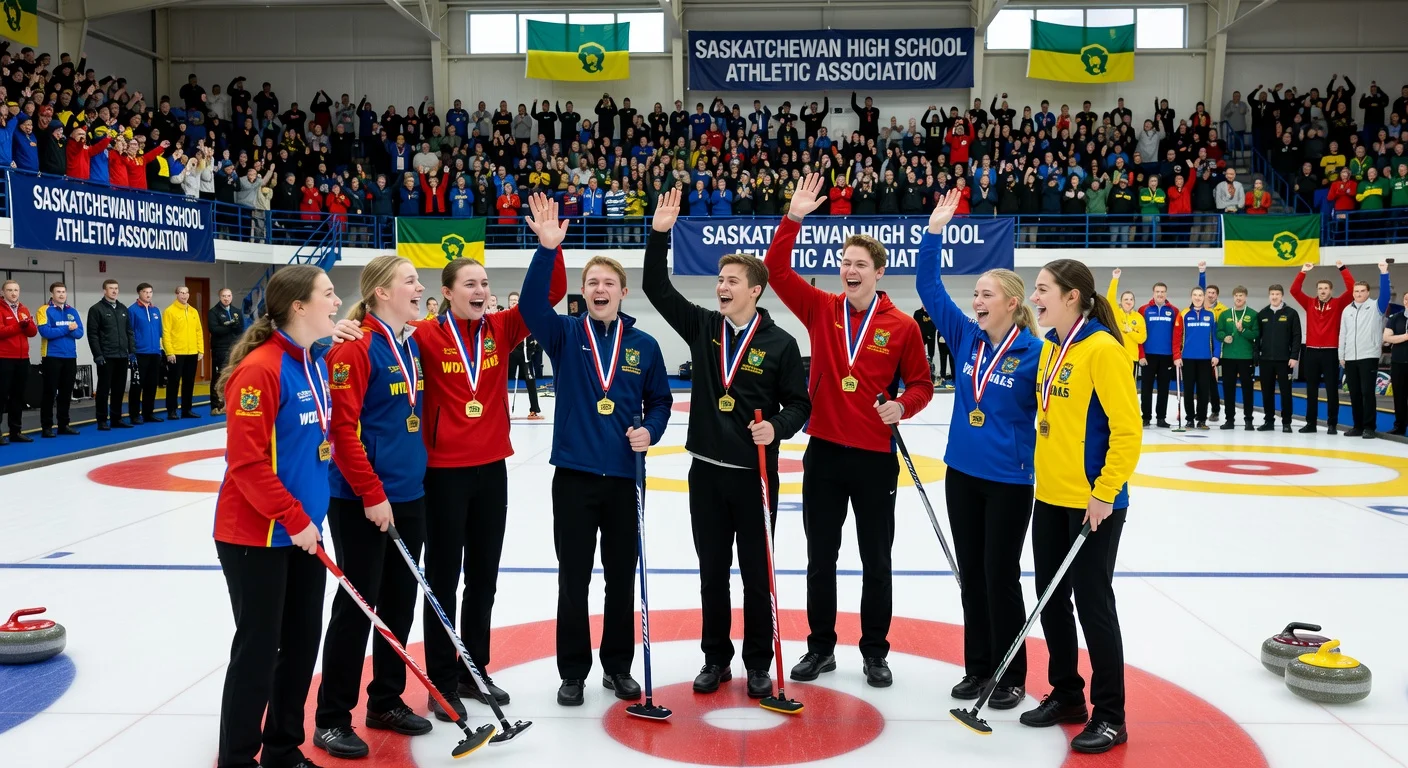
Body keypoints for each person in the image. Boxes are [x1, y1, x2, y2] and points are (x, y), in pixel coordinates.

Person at [328, 229, 567, 720]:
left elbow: (551, 296)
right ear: (449, 292)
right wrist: (337, 331)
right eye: (471, 284)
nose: (481, 291)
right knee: (441, 578)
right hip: (439, 477)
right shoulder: (421, 335)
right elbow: (347, 363)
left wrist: (549, 248)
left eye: (485, 283)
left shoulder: (501, 329)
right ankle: (441, 680)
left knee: (484, 578)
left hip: (490, 470)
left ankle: (472, 669)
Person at [764, 174, 934, 687]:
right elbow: (774, 270)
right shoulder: (820, 307)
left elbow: (923, 385)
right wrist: (792, 218)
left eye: (860, 264)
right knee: (821, 557)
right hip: (824, 455)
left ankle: (875, 651)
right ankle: (820, 648)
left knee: (875, 559)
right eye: (845, 263)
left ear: (878, 272)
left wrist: (902, 407)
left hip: (874, 458)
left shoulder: (902, 326)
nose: (850, 270)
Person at [642, 188, 811, 698]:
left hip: (756, 476)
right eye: (719, 280)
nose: (721, 286)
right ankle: (716, 659)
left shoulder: (782, 344)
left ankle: (759, 661)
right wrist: (659, 235)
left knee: (758, 577)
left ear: (755, 290)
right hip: (707, 473)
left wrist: (777, 428)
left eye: (731, 281)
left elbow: (800, 405)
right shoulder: (704, 326)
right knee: (712, 572)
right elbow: (655, 287)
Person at [518, 192, 673, 707]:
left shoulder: (645, 346)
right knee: (574, 579)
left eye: (609, 283)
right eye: (592, 283)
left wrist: (651, 431)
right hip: (576, 479)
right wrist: (546, 251)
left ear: (624, 292)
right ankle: (573, 671)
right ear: (582, 292)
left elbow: (660, 402)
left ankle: (618, 667)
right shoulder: (564, 334)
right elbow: (529, 306)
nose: (600, 289)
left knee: (621, 581)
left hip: (627, 478)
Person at [916, 189, 1044, 711]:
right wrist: (933, 233)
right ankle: (977, 668)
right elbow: (929, 286)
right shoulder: (966, 338)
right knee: (971, 572)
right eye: (976, 293)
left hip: (1010, 480)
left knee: (1001, 575)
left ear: (1012, 303)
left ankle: (1011, 674)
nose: (977, 300)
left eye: (987, 294)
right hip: (962, 473)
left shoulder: (1037, 352)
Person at [212, 265, 339, 768]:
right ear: (298, 307)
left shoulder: (313, 360)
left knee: (301, 647)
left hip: (304, 533)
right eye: (328, 294)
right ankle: (239, 758)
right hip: (258, 535)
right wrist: (292, 517)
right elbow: (246, 464)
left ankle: (284, 749)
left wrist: (309, 521)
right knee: (259, 653)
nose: (337, 301)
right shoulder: (260, 370)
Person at [314, 256, 433, 759]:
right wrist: (371, 493)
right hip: (363, 500)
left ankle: (384, 700)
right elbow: (341, 432)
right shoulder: (354, 347)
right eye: (410, 281)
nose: (419, 287)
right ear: (381, 292)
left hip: (409, 493)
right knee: (357, 608)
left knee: (399, 603)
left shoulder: (410, 340)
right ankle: (331, 717)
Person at [1022, 259, 1140, 755]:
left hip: (1094, 504)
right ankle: (1068, 694)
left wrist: (1105, 491)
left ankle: (1111, 715)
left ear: (1072, 296)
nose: (1034, 297)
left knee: (1094, 606)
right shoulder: (1050, 347)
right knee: (1052, 600)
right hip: (1049, 495)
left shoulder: (1104, 350)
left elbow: (1127, 431)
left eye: (1043, 289)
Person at [1290, 261, 1354, 433]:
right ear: (1317, 290)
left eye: (1325, 288)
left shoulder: (1339, 304)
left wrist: (1342, 269)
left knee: (1332, 389)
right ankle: (1311, 423)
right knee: (1311, 389)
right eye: (1320, 288)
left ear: (1331, 290)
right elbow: (1294, 291)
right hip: (1310, 351)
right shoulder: (1310, 303)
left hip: (1331, 351)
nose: (1322, 291)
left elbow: (1352, 288)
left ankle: (1332, 423)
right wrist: (1303, 272)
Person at [1339, 263, 1393, 438]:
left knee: (1367, 393)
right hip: (1350, 358)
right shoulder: (1347, 310)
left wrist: (1384, 273)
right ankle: (1357, 426)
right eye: (1356, 291)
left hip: (1368, 356)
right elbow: (1343, 333)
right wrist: (1342, 355)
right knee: (1354, 393)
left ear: (1368, 292)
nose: (1359, 294)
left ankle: (1369, 427)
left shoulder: (1376, 307)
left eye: (1362, 291)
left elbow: (1385, 294)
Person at [36, 282, 84, 438]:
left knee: (66, 393)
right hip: (52, 356)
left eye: (63, 292)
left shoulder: (73, 311)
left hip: (70, 356)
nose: (62, 294)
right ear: (52, 294)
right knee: (49, 392)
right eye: (58, 292)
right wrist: (67, 328)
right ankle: (47, 427)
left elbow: (79, 333)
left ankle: (64, 425)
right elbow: (45, 332)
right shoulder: (44, 310)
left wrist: (63, 330)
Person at [88, 279, 135, 431]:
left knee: (119, 389)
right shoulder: (96, 309)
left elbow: (129, 332)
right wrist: (98, 355)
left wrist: (131, 351)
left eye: (116, 288)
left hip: (122, 355)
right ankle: (101, 420)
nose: (114, 291)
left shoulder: (123, 309)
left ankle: (116, 418)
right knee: (103, 390)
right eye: (111, 288)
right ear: (104, 291)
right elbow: (92, 334)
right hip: (106, 356)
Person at [1256, 285, 1301, 432]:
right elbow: (1257, 337)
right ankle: (1269, 421)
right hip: (1266, 360)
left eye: (1277, 294)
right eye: (1272, 294)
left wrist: (1294, 356)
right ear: (1269, 296)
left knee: (1285, 392)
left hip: (1285, 360)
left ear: (1282, 296)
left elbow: (1296, 336)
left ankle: (1286, 422)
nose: (1274, 297)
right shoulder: (1262, 313)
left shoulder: (1291, 313)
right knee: (1266, 392)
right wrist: (1256, 355)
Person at [1217, 287, 1260, 431]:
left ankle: (1249, 420)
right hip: (1228, 357)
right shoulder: (1225, 314)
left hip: (1246, 357)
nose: (1238, 298)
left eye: (1241, 295)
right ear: (1233, 297)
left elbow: (1256, 334)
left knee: (1247, 389)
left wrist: (1243, 330)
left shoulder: (1253, 314)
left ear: (1245, 297)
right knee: (1228, 389)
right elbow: (1218, 332)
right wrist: (1224, 337)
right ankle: (1229, 419)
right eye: (1236, 295)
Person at [0, 280, 38, 445]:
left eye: (16, 290)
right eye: (10, 290)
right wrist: (19, 325)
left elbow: (33, 332)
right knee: (1, 397)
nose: (13, 293)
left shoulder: (23, 309)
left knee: (18, 397)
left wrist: (27, 325)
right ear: (4, 291)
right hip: (4, 358)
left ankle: (16, 431)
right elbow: (1, 332)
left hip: (23, 358)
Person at [1138, 284, 1181, 427]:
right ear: (1153, 293)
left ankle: (1161, 418)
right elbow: (1140, 335)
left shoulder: (1174, 311)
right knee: (1146, 388)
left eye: (1162, 292)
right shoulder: (1143, 310)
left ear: (1166, 293)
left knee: (1164, 388)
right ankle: (1146, 417)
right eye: (1157, 291)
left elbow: (1176, 336)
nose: (1160, 294)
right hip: (1148, 356)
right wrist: (1141, 354)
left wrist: (1175, 355)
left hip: (1166, 356)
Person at [1179, 287, 1220, 430]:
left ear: (1204, 297)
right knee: (1188, 390)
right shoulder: (1184, 314)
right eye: (1195, 295)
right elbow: (1178, 336)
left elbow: (1215, 337)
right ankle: (1189, 419)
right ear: (1191, 297)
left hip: (1205, 359)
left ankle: (1202, 419)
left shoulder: (1211, 314)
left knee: (1204, 390)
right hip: (1188, 358)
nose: (1198, 298)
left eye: (1200, 295)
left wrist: (1216, 355)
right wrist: (1177, 356)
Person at [163, 286, 205, 420]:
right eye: (181, 293)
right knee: (173, 382)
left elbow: (199, 331)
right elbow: (166, 333)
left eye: (186, 292)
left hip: (192, 352)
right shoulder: (169, 311)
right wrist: (169, 352)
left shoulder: (193, 311)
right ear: (176, 294)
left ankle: (187, 410)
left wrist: (200, 349)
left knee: (189, 382)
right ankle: (172, 410)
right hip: (176, 353)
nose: (184, 295)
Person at [504, 292, 543, 420]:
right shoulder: (505, 317)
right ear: (509, 303)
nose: (514, 302)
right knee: (500, 381)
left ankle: (534, 410)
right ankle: (499, 410)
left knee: (530, 381)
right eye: (512, 300)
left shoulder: (527, 317)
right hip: (510, 354)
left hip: (525, 355)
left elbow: (534, 333)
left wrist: (532, 348)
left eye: (516, 300)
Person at [129, 283, 164, 424]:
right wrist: (132, 353)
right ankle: (134, 415)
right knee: (137, 386)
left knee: (151, 385)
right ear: (139, 293)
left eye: (150, 292)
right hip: (140, 353)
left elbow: (160, 332)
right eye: (145, 292)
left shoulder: (156, 310)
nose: (148, 294)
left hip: (154, 353)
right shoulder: (132, 310)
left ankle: (148, 413)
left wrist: (160, 350)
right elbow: (129, 332)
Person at [1105, 269, 1146, 379]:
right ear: (1121, 302)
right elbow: (1110, 297)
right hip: (1117, 356)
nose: (1129, 301)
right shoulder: (1116, 313)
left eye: (1131, 299)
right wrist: (1115, 279)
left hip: (1132, 358)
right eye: (1126, 299)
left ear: (1134, 302)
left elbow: (1142, 338)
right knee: (1116, 385)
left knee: (1131, 387)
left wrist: (1130, 332)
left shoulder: (1139, 317)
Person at [209, 288, 244, 416]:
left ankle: (232, 403)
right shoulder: (213, 312)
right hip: (220, 349)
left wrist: (231, 326)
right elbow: (214, 330)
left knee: (235, 376)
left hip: (234, 348)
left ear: (232, 297)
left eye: (229, 296)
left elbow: (240, 329)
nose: (226, 298)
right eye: (224, 296)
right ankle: (216, 406)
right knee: (219, 376)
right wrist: (229, 326)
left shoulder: (237, 312)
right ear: (220, 297)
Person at [1384, 301, 1408, 436]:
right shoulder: (1395, 318)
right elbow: (1387, 337)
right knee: (1399, 396)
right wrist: (1404, 337)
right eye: (1406, 299)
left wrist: (1396, 338)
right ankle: (1399, 426)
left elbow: (1392, 338)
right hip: (1398, 363)